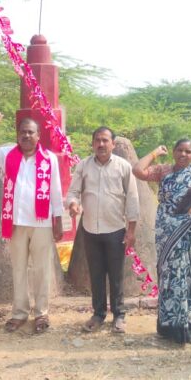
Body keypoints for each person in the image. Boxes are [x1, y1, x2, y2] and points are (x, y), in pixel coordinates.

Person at [0, 112, 64, 333]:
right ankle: (20, 312)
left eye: (31, 132)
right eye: (22, 132)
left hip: (41, 222)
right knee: (18, 269)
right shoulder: (7, 154)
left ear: (38, 136)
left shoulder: (49, 158)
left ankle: (41, 313)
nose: (26, 135)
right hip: (15, 222)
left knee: (42, 269)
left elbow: (55, 191)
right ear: (17, 135)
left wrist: (58, 221)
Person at [133, 138, 191, 345]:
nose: (183, 154)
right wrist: (154, 153)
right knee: (171, 277)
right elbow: (137, 170)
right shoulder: (163, 171)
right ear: (173, 152)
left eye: (188, 151)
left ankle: (190, 329)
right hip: (168, 235)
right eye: (179, 150)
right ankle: (168, 328)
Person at [66, 127, 140, 334]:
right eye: (97, 140)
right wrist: (73, 204)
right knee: (96, 275)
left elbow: (132, 199)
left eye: (105, 140)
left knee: (116, 276)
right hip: (90, 230)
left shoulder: (123, 167)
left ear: (113, 144)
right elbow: (73, 191)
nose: (101, 144)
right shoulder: (83, 166)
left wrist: (131, 231)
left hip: (115, 230)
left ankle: (119, 315)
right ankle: (98, 314)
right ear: (92, 143)